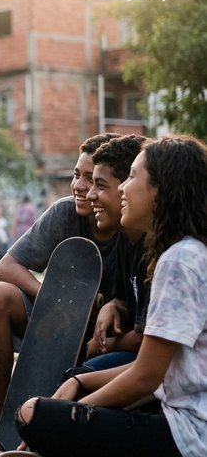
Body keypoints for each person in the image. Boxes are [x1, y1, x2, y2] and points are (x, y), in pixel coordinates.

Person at [16, 135, 207, 457]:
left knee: (33, 415)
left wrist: (70, 414)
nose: (123, 189)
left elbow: (145, 376)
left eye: (131, 177)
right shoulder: (185, 252)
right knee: (54, 408)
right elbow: (156, 370)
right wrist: (80, 382)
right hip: (180, 420)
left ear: (160, 190)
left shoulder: (180, 261)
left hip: (190, 435)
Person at [0, 133, 122, 437]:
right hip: (60, 320)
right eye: (76, 175)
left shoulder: (131, 224)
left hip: (107, 336)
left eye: (92, 179)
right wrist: (53, 298)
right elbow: (6, 266)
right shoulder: (64, 213)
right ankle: (0, 420)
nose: (79, 186)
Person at [82, 134, 149, 372]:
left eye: (100, 185)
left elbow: (150, 338)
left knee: (83, 375)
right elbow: (123, 298)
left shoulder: (159, 249)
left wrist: (104, 345)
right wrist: (111, 306)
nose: (89, 195)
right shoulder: (125, 236)